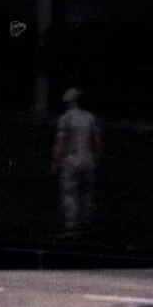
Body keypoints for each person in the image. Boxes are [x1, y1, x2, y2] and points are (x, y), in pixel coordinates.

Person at [52, 88, 100, 237]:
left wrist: (55, 161)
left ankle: (71, 225)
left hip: (71, 160)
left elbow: (60, 143)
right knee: (86, 192)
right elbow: (96, 140)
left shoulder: (65, 118)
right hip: (87, 159)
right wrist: (96, 157)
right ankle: (86, 220)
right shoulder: (89, 117)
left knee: (69, 193)